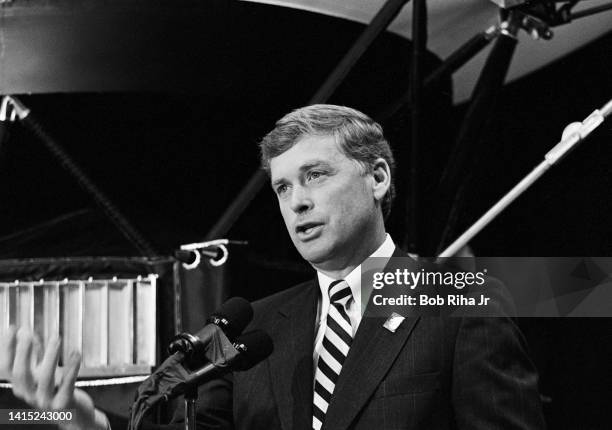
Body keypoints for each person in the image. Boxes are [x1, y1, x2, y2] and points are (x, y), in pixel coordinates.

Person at [0, 104, 545, 429]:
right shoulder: (251, 329)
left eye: (316, 176)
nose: (296, 202)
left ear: (377, 178)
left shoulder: (456, 297)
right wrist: (79, 420)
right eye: (283, 187)